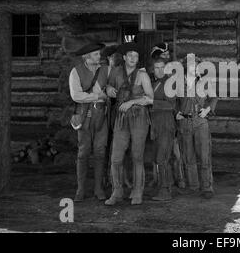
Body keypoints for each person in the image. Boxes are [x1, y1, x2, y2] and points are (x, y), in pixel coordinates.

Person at [105, 42, 154, 206]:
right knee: (116, 158)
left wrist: (132, 102)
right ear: (124, 57)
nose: (133, 58)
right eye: (130, 55)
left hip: (139, 117)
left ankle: (137, 191)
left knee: (137, 156)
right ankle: (117, 191)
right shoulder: (116, 72)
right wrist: (108, 90)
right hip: (121, 118)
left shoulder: (142, 75)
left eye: (136, 56)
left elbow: (150, 98)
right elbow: (108, 86)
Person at [69, 42, 108, 202]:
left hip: (101, 117)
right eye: (96, 54)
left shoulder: (105, 70)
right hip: (84, 117)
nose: (99, 56)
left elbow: (111, 88)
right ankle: (81, 189)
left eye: (99, 54)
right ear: (87, 56)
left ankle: (98, 189)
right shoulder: (76, 72)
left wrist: (108, 92)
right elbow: (76, 96)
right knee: (83, 153)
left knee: (100, 152)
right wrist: (97, 96)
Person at [176, 54, 218, 199]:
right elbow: (173, 101)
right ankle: (193, 186)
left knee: (204, 155)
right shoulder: (178, 83)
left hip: (200, 122)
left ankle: (207, 187)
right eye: (192, 65)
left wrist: (207, 109)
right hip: (185, 122)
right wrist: (177, 112)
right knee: (188, 156)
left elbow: (213, 98)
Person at [150, 58, 177, 201]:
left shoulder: (169, 84)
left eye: (162, 67)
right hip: (155, 126)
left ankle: (165, 191)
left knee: (162, 157)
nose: (159, 70)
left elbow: (171, 105)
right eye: (156, 68)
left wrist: (151, 102)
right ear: (153, 69)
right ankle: (164, 185)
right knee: (158, 157)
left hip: (166, 125)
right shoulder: (153, 83)